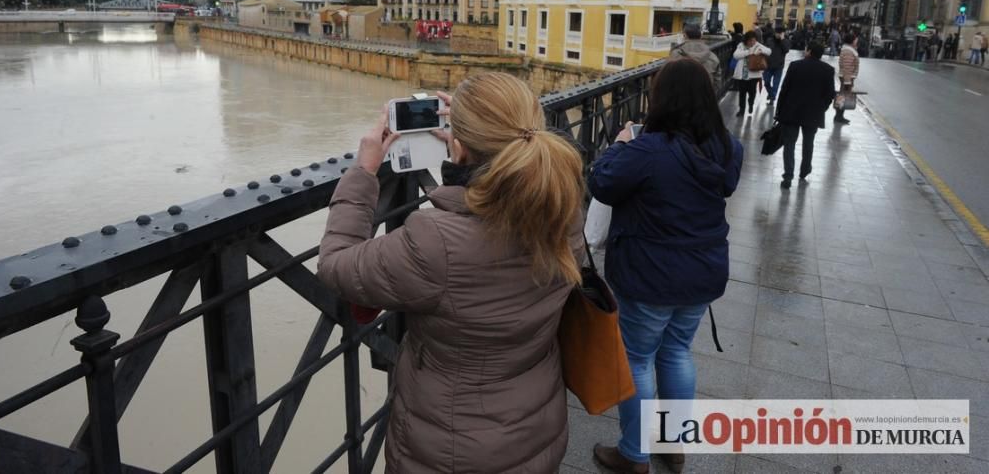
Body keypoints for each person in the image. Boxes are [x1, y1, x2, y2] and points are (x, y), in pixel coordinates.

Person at [317, 72, 586, 473]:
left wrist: (363, 174)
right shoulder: (564, 204)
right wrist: (470, 150)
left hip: (451, 448)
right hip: (536, 425)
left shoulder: (436, 241)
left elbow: (336, 264)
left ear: (458, 145)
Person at [588, 59, 743, 474]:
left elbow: (601, 181)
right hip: (703, 271)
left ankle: (633, 455)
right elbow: (725, 184)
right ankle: (673, 446)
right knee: (676, 352)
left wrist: (621, 143)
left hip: (650, 275)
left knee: (637, 359)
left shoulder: (648, 150)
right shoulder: (727, 147)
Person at [775, 42, 836, 189]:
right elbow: (830, 94)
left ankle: (788, 176)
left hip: (792, 111)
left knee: (789, 143)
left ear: (808, 51)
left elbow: (785, 89)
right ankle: (804, 170)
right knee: (809, 143)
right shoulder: (828, 70)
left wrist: (779, 110)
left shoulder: (795, 66)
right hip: (813, 113)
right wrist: (822, 108)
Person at [732, 30, 772, 116]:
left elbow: (769, 51)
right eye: (750, 40)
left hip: (754, 74)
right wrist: (749, 52)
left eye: (754, 40)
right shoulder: (741, 46)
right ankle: (741, 110)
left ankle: (751, 104)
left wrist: (762, 51)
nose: (752, 42)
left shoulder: (757, 45)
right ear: (746, 40)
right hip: (742, 75)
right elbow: (735, 55)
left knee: (752, 92)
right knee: (742, 93)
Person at [835, 32, 860, 125]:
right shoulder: (849, 51)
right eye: (856, 39)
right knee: (843, 96)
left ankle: (839, 116)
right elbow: (847, 67)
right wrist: (847, 81)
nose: (857, 40)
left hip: (847, 77)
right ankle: (838, 116)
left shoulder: (849, 50)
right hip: (847, 78)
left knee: (843, 96)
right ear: (852, 40)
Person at [763, 28, 790, 104]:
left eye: (780, 33)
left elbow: (786, 50)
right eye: (777, 33)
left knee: (776, 83)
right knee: (766, 81)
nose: (778, 34)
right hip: (768, 65)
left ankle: (772, 98)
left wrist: (782, 40)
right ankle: (771, 93)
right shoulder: (769, 40)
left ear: (783, 34)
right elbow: (765, 49)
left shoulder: (786, 41)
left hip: (779, 66)